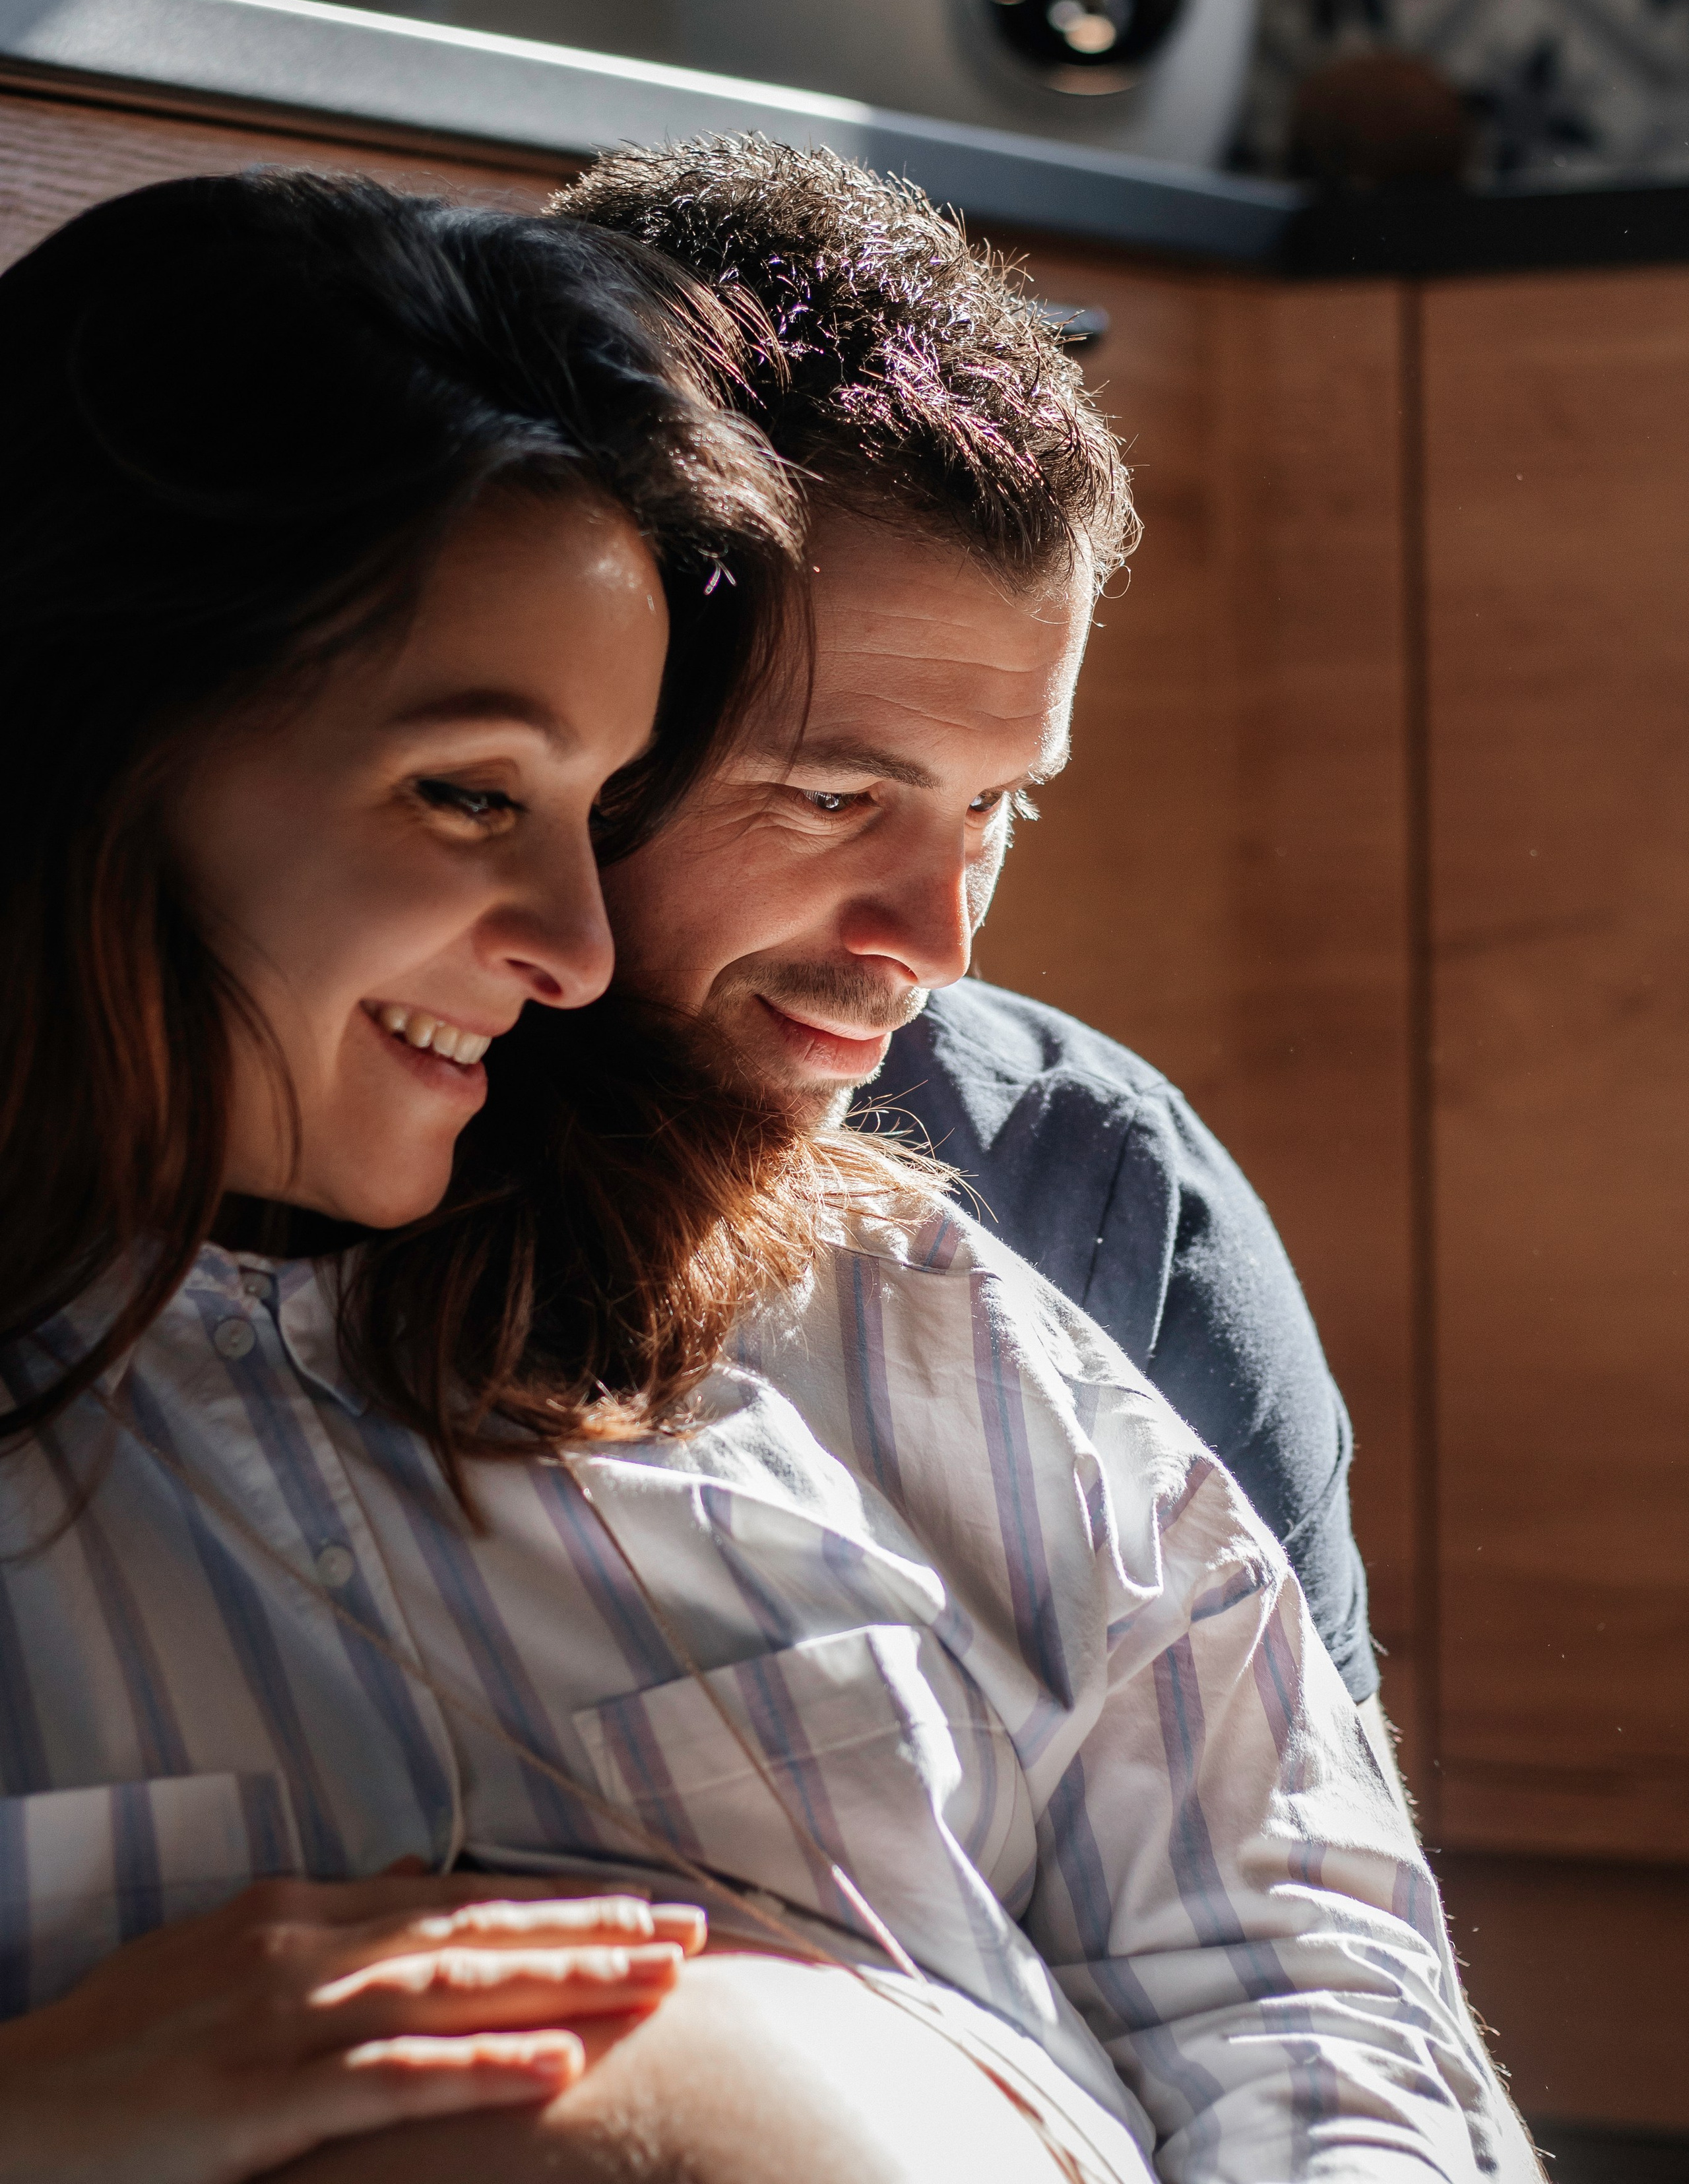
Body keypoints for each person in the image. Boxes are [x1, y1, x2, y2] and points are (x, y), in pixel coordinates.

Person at [0, 171, 1513, 2184]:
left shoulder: (916, 1292)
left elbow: (1312, 1995)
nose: (570, 947)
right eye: (827, 791)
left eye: (997, 812)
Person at [560, 137, 1380, 1752]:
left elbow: (1320, 1852)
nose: (933, 944)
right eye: (831, 795)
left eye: (997, 805)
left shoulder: (1093, 1190)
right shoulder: (260, 1155)